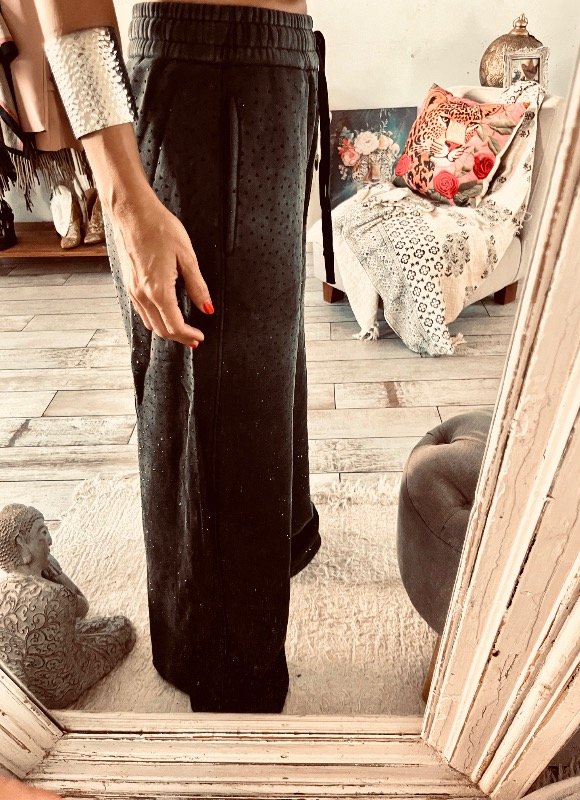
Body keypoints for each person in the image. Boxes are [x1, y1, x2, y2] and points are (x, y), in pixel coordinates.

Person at [28, 0, 334, 713]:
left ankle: (277, 549)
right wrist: (124, 198)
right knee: (213, 392)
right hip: (204, 71)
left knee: (265, 362)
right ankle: (223, 669)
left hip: (282, 63)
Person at [0, 503, 135, 708]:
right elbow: (83, 607)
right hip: (59, 691)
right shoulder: (57, 594)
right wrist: (57, 574)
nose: (50, 541)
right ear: (22, 544)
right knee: (121, 627)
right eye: (43, 533)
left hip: (19, 690)